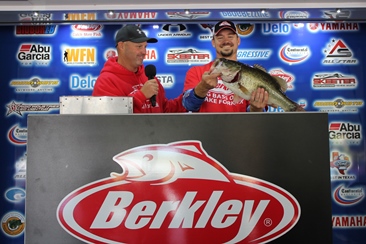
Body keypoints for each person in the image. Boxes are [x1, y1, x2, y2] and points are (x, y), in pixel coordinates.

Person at [92, 24, 187, 113]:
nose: (144, 52)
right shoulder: (106, 81)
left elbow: (165, 109)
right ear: (121, 46)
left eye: (145, 46)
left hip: (156, 131)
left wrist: (193, 97)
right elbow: (109, 118)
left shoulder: (149, 78)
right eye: (139, 46)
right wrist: (141, 95)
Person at [182, 20, 268, 112]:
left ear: (238, 40)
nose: (226, 41)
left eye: (230, 37)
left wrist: (255, 108)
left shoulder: (252, 73)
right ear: (213, 42)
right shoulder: (196, 71)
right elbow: (188, 105)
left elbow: (254, 115)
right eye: (220, 38)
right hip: (205, 126)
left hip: (240, 126)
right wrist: (203, 87)